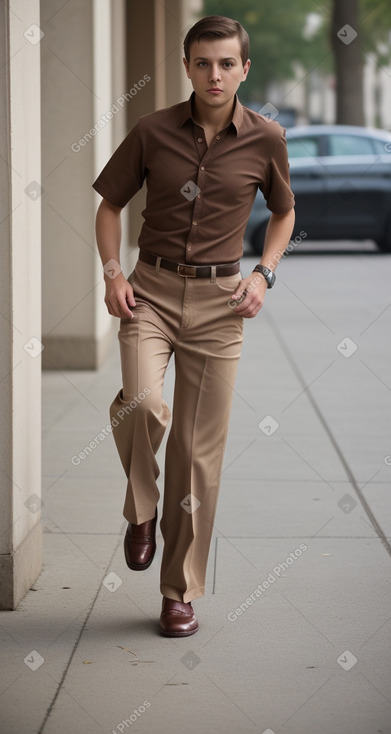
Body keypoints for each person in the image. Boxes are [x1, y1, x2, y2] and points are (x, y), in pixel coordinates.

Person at [93, 15, 295, 637]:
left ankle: (178, 593)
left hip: (220, 305)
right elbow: (109, 205)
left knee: (196, 457)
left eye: (226, 63)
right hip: (148, 293)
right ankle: (141, 510)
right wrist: (111, 273)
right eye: (203, 63)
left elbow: (284, 213)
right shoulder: (152, 131)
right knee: (143, 406)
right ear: (187, 66)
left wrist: (263, 274)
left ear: (244, 69)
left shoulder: (266, 139)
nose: (215, 75)